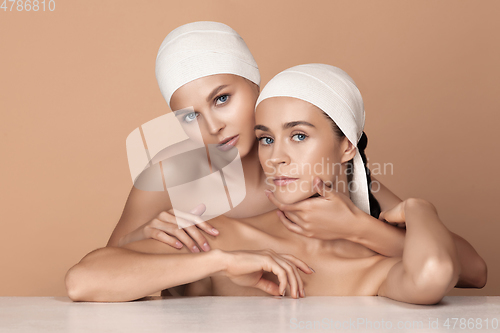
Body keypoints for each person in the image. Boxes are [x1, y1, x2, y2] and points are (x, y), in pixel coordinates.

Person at [105, 22, 486, 291]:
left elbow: (469, 271)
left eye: (222, 99)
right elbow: (108, 272)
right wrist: (146, 235)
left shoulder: (327, 174)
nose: (212, 127)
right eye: (188, 117)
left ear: (257, 86)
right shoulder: (171, 172)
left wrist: (360, 228)